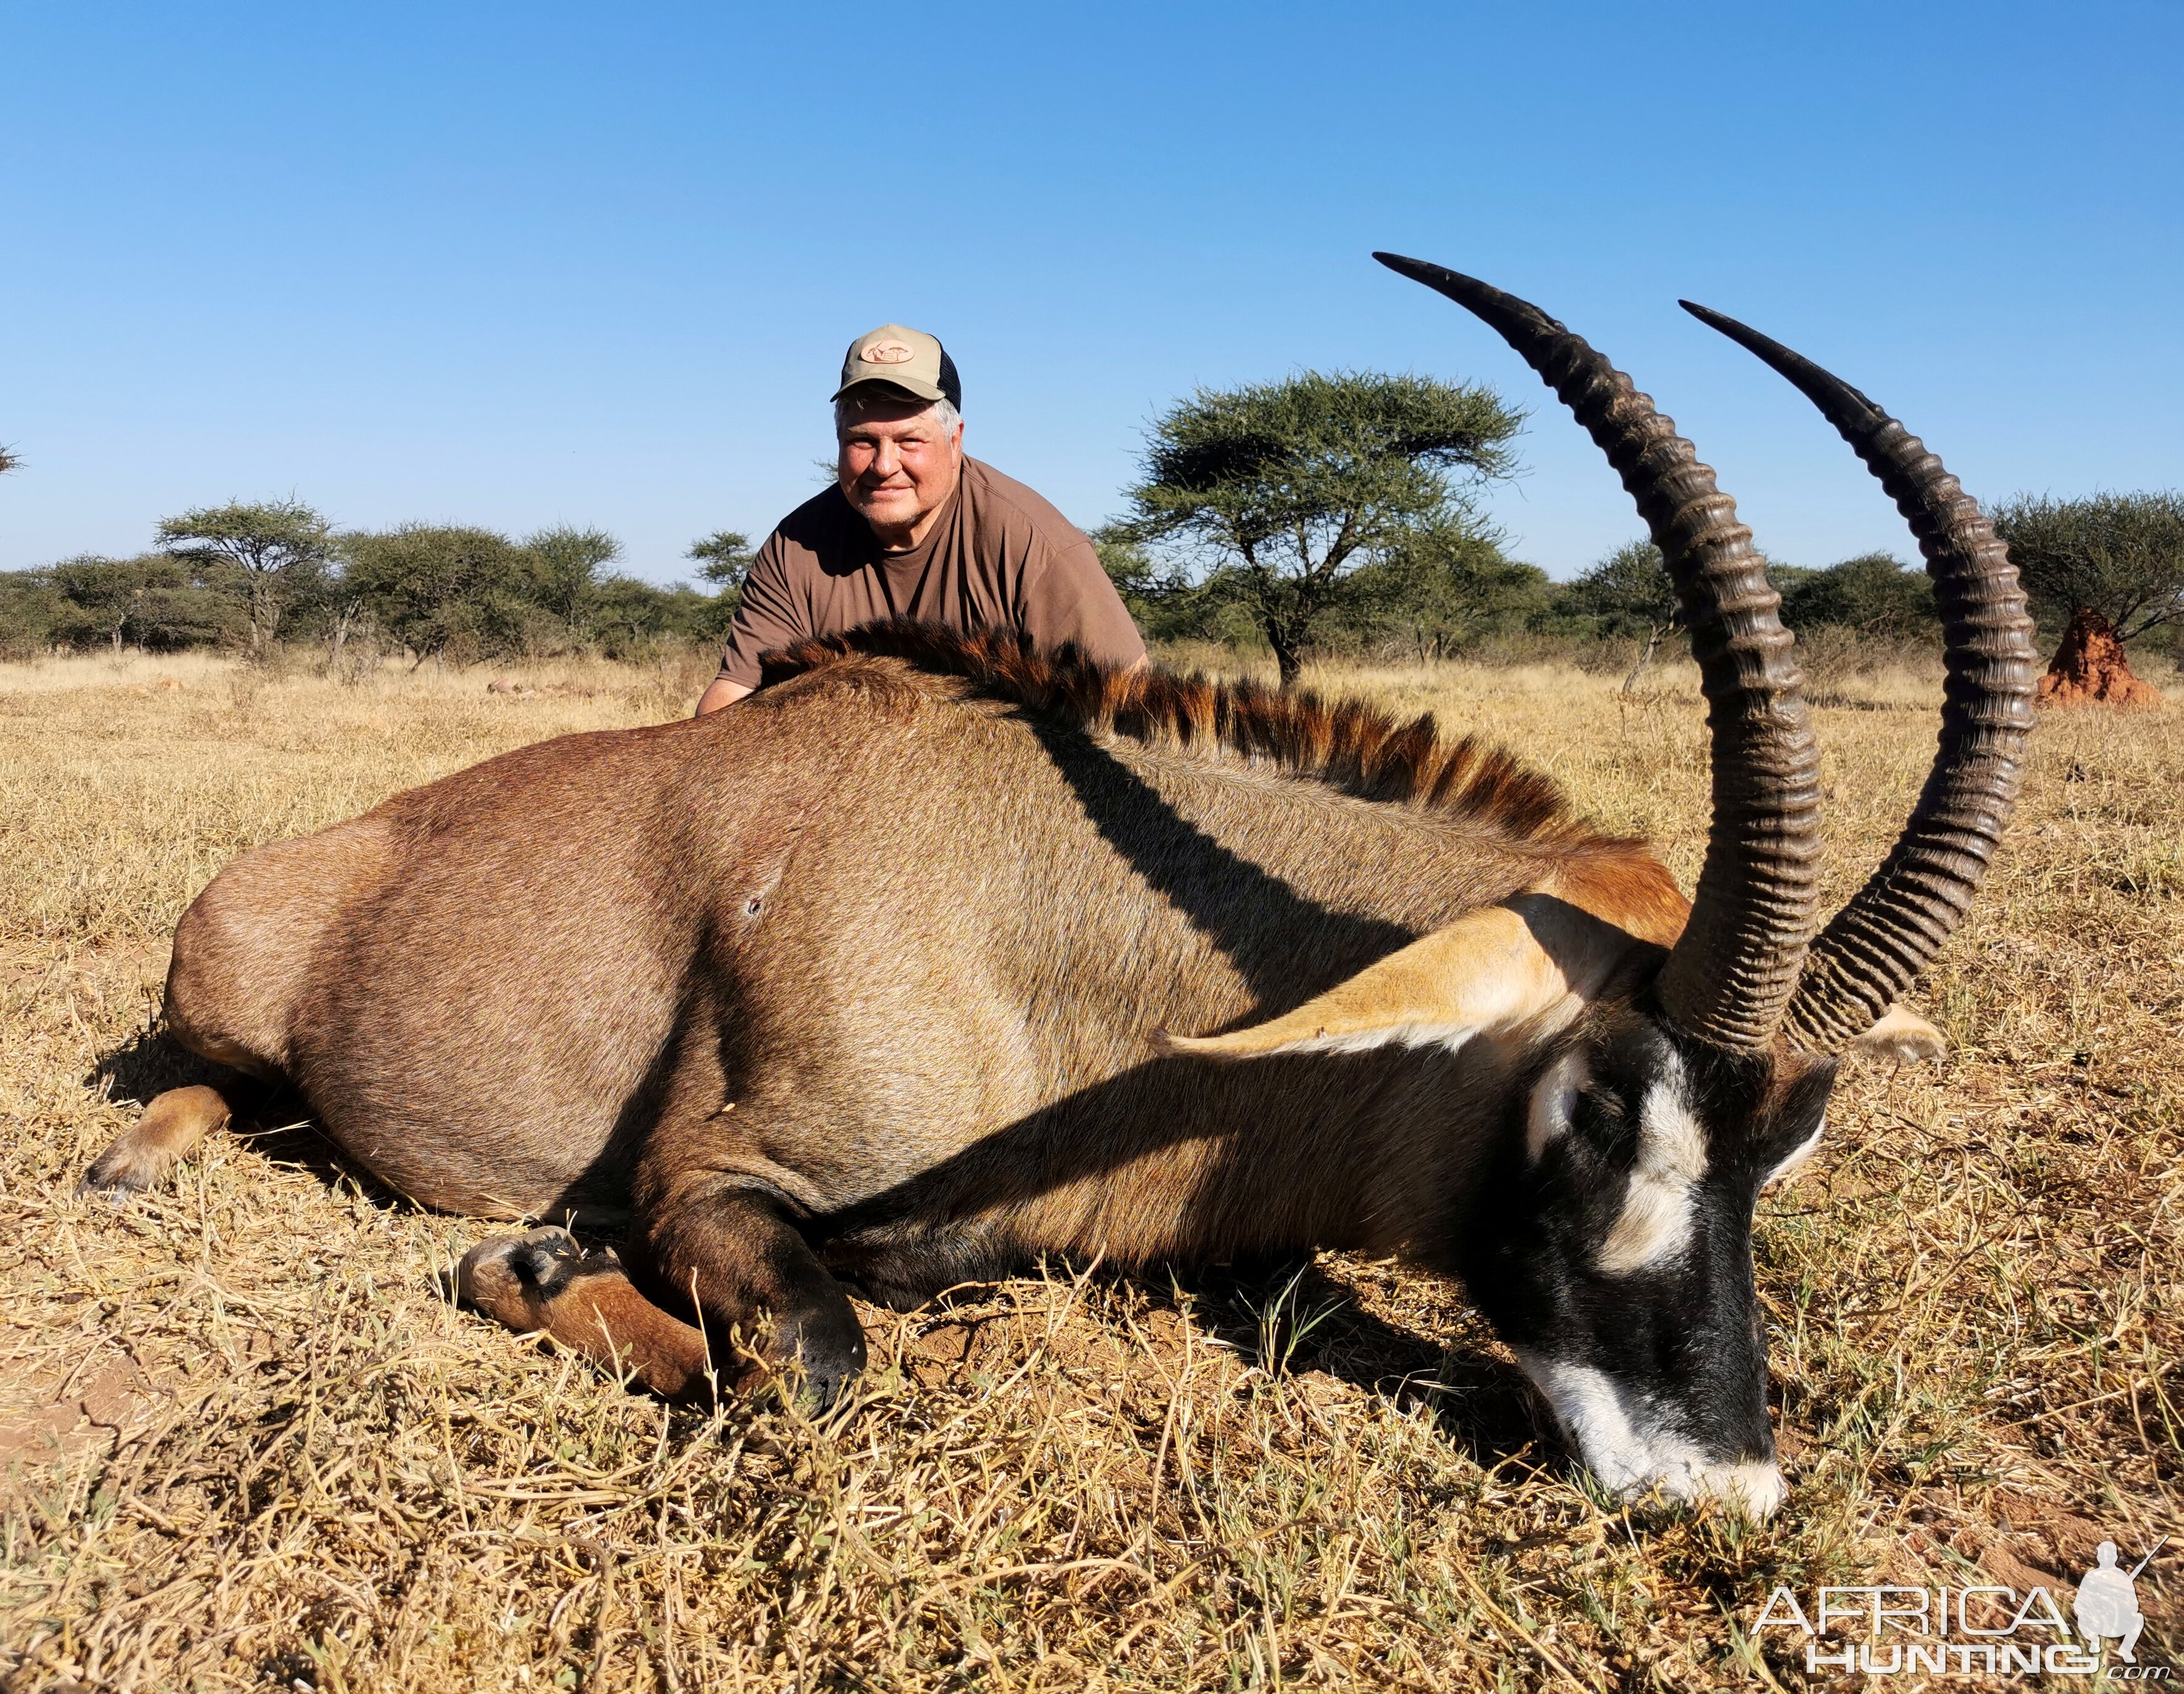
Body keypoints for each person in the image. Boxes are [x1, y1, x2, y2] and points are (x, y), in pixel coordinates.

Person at [695, 323, 1146, 714]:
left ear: (955, 442)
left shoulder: (1034, 542)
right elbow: (734, 694)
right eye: (862, 441)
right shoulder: (796, 544)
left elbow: (1131, 704)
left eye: (909, 440)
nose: (883, 465)